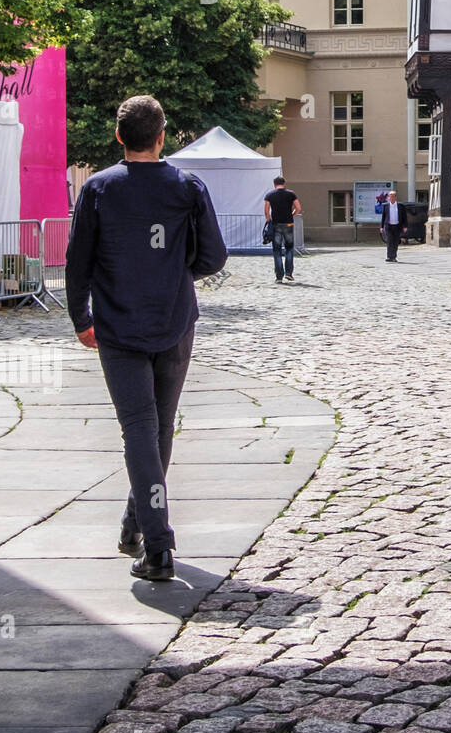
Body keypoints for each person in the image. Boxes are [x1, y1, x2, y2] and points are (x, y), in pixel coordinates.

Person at [65, 95, 227, 582]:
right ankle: (139, 527)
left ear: (119, 137)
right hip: (174, 321)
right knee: (159, 427)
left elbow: (78, 263)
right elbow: (214, 256)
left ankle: (155, 544)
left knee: (140, 427)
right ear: (161, 137)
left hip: (117, 326)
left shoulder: (98, 190)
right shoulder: (186, 186)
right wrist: (178, 273)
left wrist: (81, 318)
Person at [264, 175, 301, 283]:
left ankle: (279, 276)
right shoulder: (291, 194)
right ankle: (289, 273)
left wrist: (269, 220)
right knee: (289, 248)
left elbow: (266, 210)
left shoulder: (270, 195)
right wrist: (292, 215)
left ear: (274, 184)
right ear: (284, 183)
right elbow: (298, 208)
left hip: (276, 224)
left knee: (277, 250)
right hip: (288, 223)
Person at [381, 188, 403, 262]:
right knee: (389, 241)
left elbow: (404, 217)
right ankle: (389, 256)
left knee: (395, 242)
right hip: (389, 226)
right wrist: (381, 227)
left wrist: (405, 226)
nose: (392, 198)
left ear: (395, 197)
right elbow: (383, 217)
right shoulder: (386, 206)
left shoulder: (400, 206)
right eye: (390, 196)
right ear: (388, 198)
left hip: (397, 226)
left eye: (393, 196)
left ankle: (394, 256)